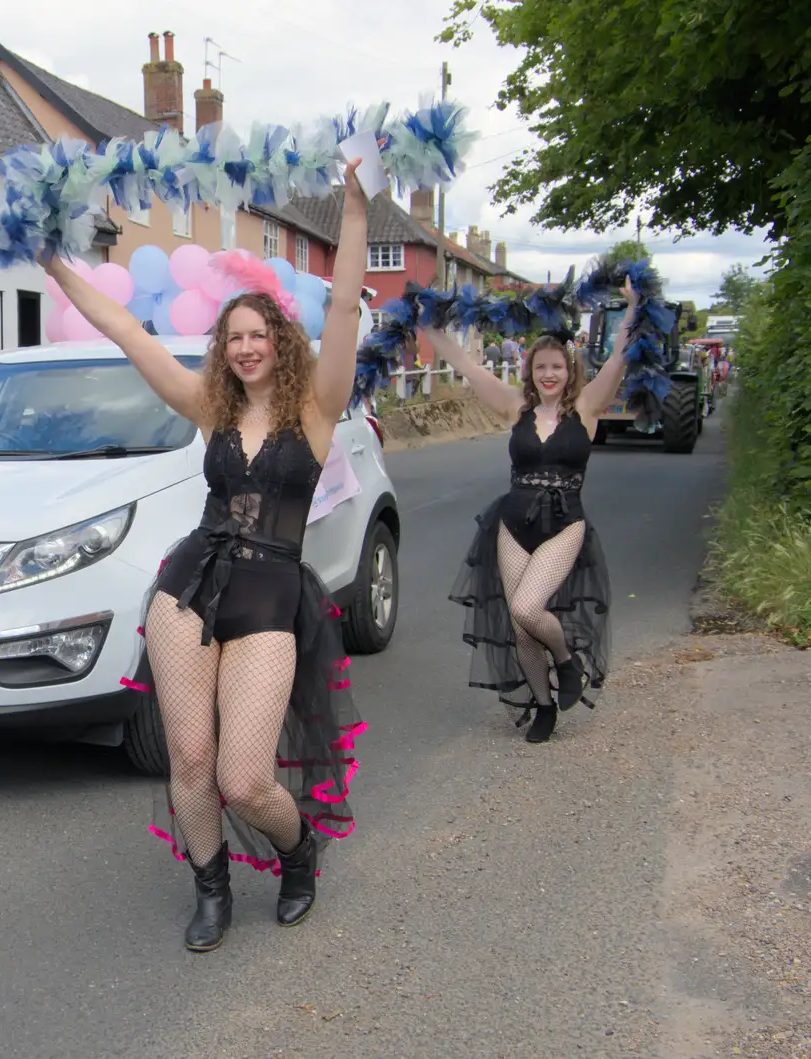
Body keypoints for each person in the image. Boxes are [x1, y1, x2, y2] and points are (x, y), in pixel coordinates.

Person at [43, 161, 373, 953]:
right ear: (221, 349)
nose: (248, 348)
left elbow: (347, 306)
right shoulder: (206, 405)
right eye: (235, 338)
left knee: (244, 777)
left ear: (282, 341)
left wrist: (356, 210)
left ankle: (298, 855)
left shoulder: (318, 406)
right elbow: (125, 330)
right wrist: (50, 262)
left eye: (260, 335)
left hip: (270, 594)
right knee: (190, 761)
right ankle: (212, 887)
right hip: (190, 584)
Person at [433, 284, 637, 743]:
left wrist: (633, 306)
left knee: (529, 606)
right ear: (530, 371)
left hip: (565, 523)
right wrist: (427, 323)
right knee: (520, 622)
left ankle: (566, 663)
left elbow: (619, 358)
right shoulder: (514, 406)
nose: (549, 374)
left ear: (570, 370)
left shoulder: (587, 407)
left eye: (557, 367)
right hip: (513, 522)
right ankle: (543, 706)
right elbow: (465, 364)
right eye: (541, 367)